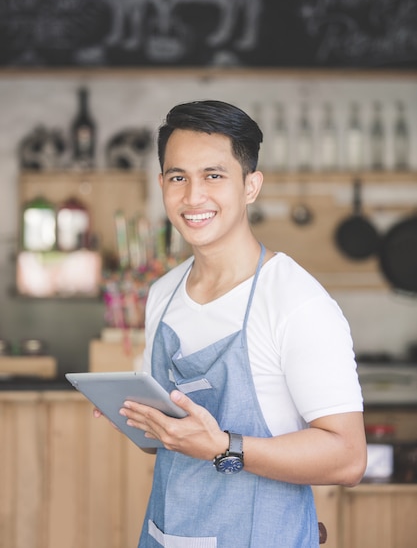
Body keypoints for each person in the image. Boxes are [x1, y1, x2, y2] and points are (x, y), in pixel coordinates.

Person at [117, 100, 367, 547]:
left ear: (251, 186)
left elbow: (348, 459)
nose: (193, 197)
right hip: (165, 534)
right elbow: (167, 441)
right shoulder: (162, 294)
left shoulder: (296, 302)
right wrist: (137, 415)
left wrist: (223, 446)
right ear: (161, 185)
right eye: (179, 178)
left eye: (214, 176)